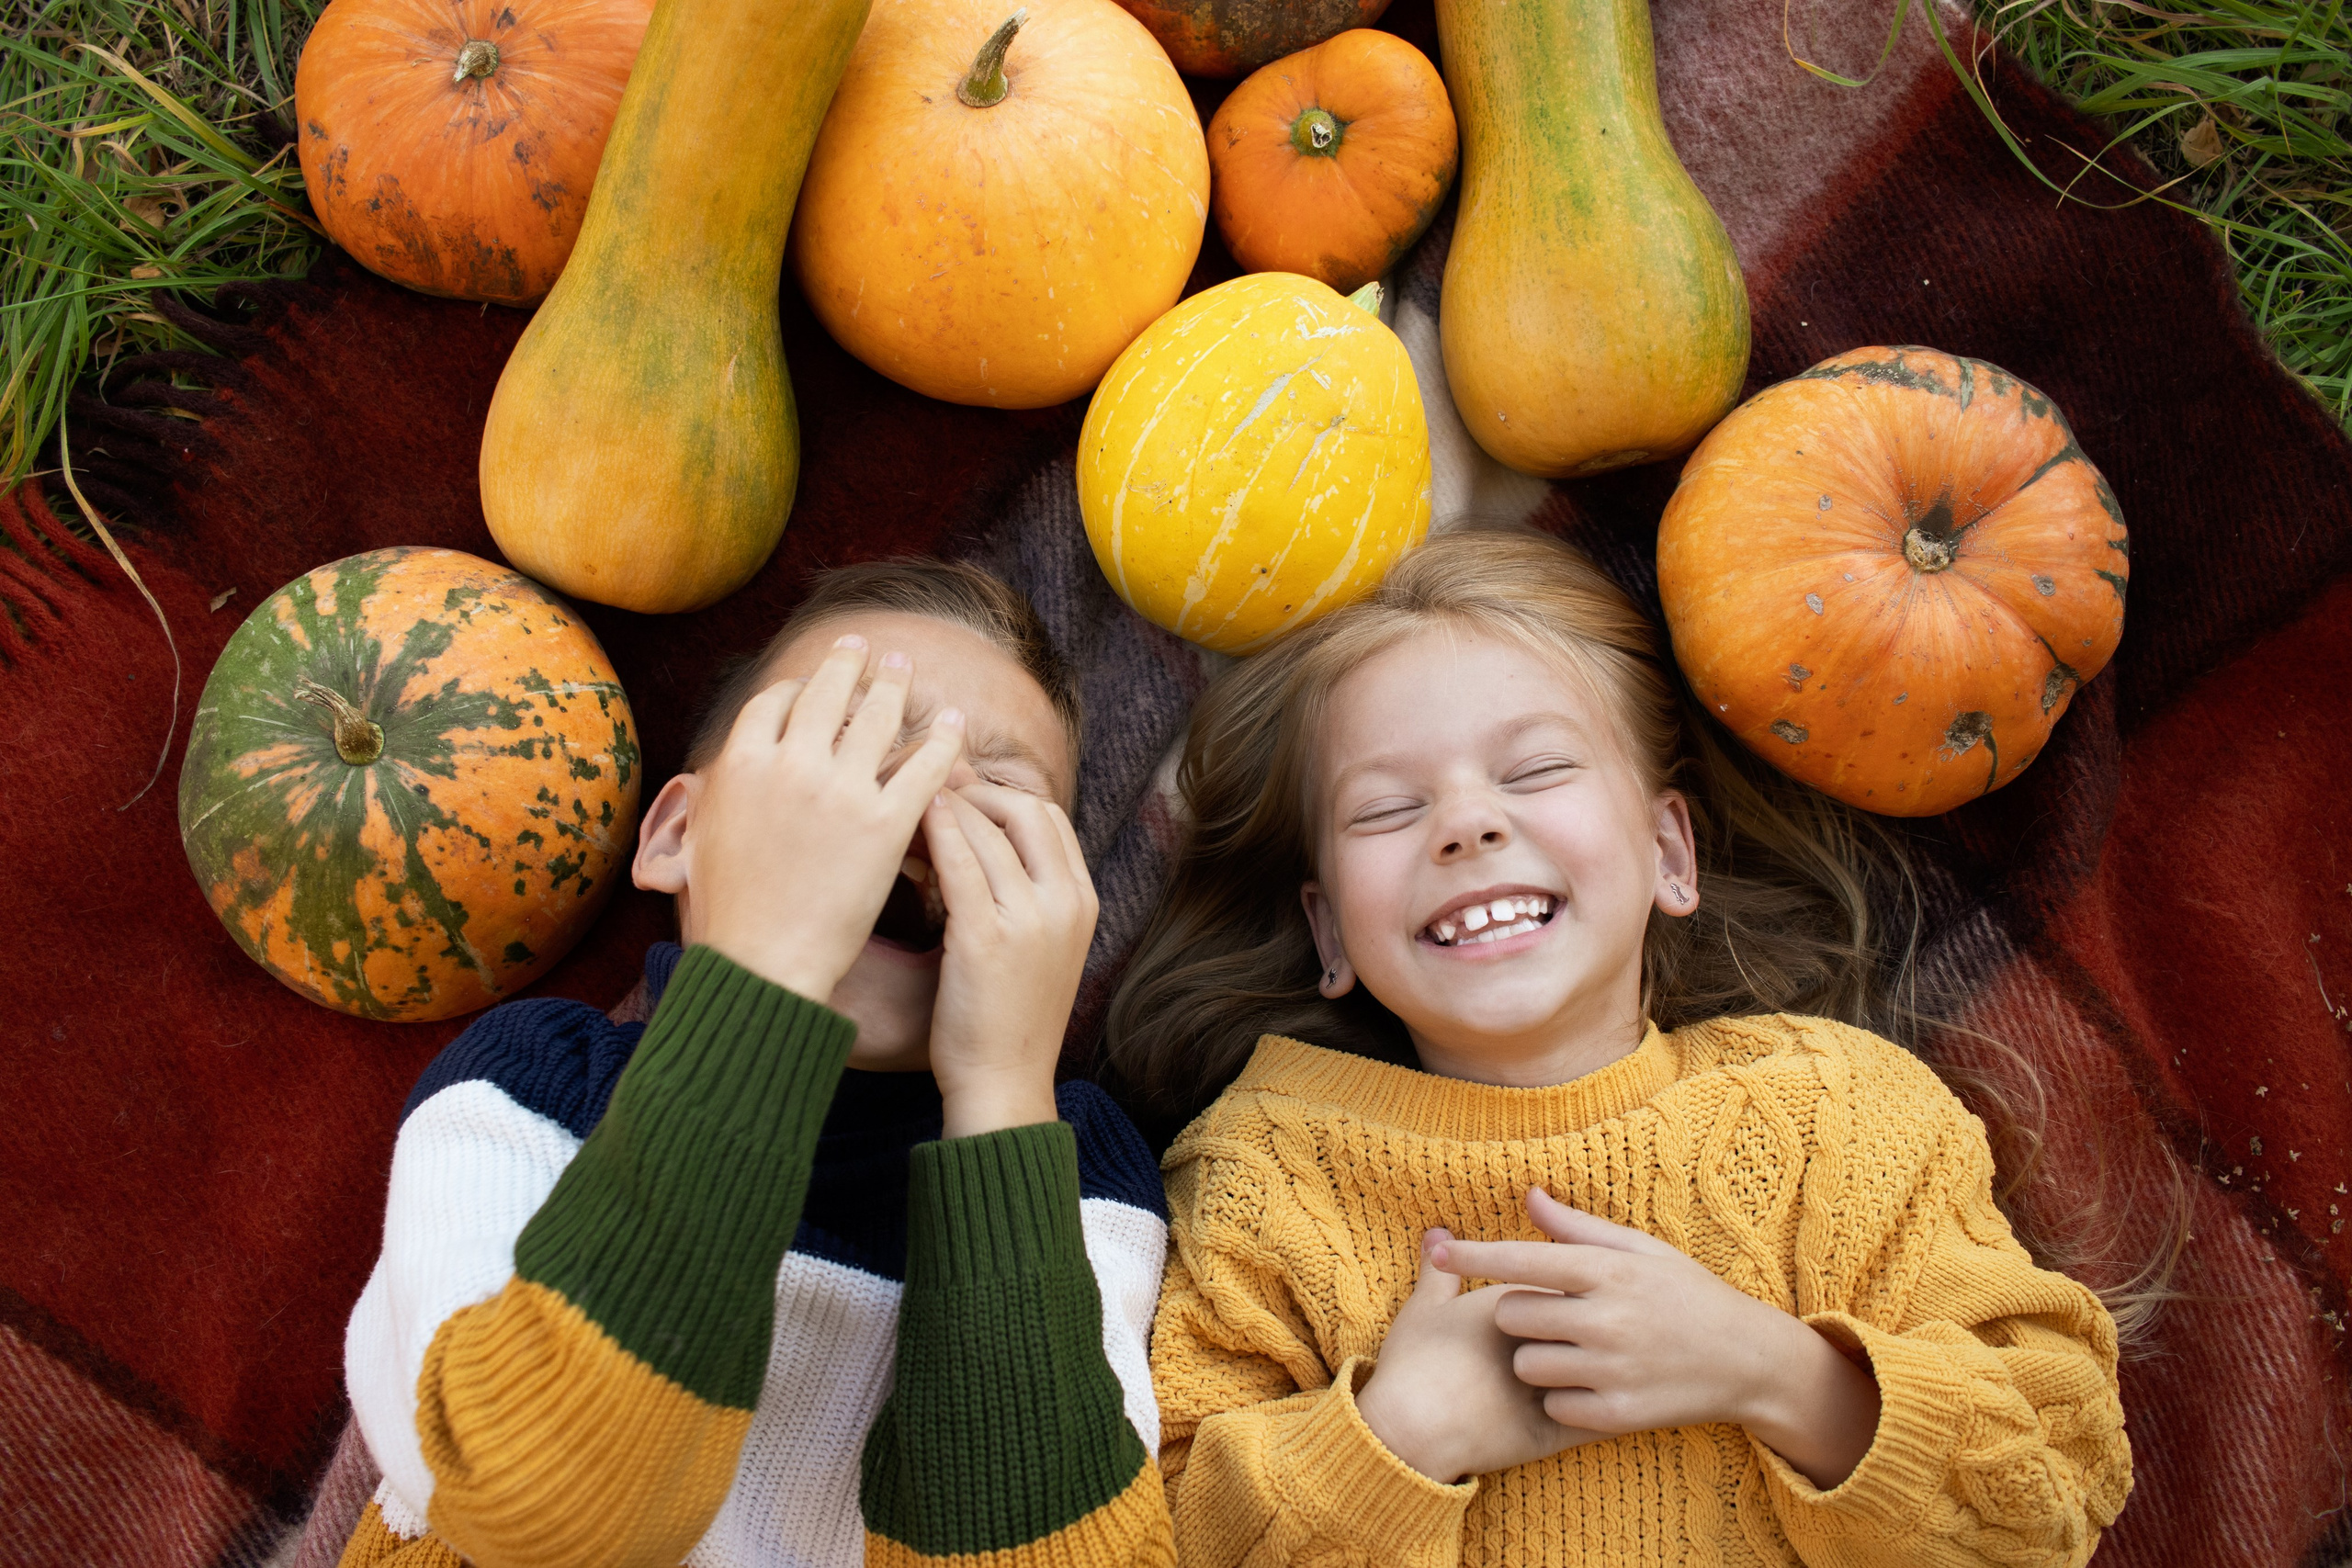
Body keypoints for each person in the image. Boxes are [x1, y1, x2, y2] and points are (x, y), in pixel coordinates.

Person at [1105, 528, 2132, 1567]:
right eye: (1387, 808)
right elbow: (1156, 1539)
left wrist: (1777, 1374)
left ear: (1667, 853)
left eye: (1536, 768)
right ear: (1329, 933)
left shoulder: (1839, 1113)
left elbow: (2056, 1488)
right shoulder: (1265, 1177)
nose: (1465, 825)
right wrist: (1397, 1434)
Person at [341, 561, 1174, 1567]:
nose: (911, 800)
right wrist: (768, 969)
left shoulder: (1076, 1170)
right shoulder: (535, 1086)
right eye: (839, 741)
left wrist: (1001, 1089)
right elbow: (542, 1516)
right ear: (680, 835)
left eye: (997, 801)